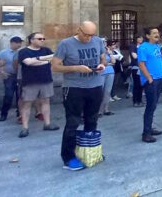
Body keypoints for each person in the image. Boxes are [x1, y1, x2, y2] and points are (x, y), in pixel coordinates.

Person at [51, 21, 106, 171]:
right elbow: (55, 66)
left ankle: (89, 151)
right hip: (74, 88)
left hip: (95, 85)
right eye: (86, 34)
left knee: (92, 119)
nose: (88, 38)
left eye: (91, 35)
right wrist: (75, 68)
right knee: (73, 122)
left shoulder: (98, 41)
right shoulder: (66, 44)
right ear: (78, 30)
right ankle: (68, 157)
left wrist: (102, 65)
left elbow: (103, 58)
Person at [17, 33, 59, 137]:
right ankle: (25, 128)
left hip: (46, 80)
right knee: (27, 104)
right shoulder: (23, 51)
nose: (42, 40)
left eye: (43, 38)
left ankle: (47, 123)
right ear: (31, 40)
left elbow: (53, 59)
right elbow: (28, 62)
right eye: (39, 38)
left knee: (46, 102)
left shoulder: (46, 50)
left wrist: (37, 60)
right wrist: (44, 60)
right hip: (30, 81)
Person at [137, 27, 162, 143]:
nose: (157, 35)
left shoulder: (156, 46)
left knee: (153, 105)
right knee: (150, 106)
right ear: (148, 36)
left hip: (159, 79)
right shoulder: (143, 48)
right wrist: (149, 78)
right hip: (151, 81)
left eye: (157, 33)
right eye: (154, 33)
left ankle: (150, 127)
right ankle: (146, 133)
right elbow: (141, 64)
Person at [0, 36, 23, 122]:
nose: (19, 44)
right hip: (9, 76)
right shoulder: (3, 53)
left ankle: (20, 113)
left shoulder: (22, 52)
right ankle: (4, 114)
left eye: (20, 42)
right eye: (17, 42)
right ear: (12, 43)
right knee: (8, 95)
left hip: (20, 76)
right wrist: (1, 72)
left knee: (20, 95)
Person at [99, 39, 122, 117]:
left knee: (107, 92)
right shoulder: (99, 51)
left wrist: (110, 54)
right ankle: (99, 111)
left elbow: (113, 62)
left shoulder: (109, 50)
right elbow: (103, 62)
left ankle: (106, 109)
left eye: (105, 42)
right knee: (100, 92)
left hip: (110, 72)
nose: (104, 43)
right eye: (103, 42)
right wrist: (108, 63)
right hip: (101, 73)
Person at [130, 35, 144, 106]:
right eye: (139, 37)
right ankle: (135, 101)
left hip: (142, 67)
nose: (141, 39)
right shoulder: (133, 46)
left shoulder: (142, 46)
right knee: (136, 84)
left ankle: (140, 100)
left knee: (141, 85)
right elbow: (134, 56)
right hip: (135, 67)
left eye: (141, 38)